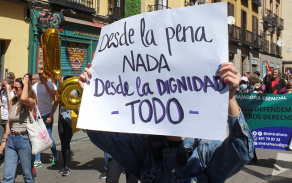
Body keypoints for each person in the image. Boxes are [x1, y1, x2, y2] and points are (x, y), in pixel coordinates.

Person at [79, 62, 253, 182]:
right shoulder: (146, 148)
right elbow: (100, 134)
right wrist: (92, 94)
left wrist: (229, 97)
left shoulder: (205, 150)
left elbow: (242, 150)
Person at [0, 77, 37, 183]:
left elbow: (24, 99)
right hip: (11, 140)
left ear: (24, 88)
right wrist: (4, 141)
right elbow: (9, 123)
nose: (13, 90)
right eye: (12, 87)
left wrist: (25, 84)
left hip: (24, 140)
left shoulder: (30, 101)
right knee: (8, 176)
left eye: (16, 88)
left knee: (27, 175)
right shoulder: (13, 102)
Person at [33, 74, 58, 166]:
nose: (41, 76)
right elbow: (33, 101)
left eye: (43, 74)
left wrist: (51, 116)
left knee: (48, 137)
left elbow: (56, 101)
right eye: (40, 74)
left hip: (48, 114)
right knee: (37, 136)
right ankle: (38, 159)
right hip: (38, 115)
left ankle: (55, 154)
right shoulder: (35, 86)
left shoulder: (51, 85)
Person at [0, 78, 14, 168]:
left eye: (5, 85)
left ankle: (9, 160)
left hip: (8, 120)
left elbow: (11, 103)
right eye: (3, 85)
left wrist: (9, 90)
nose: (4, 87)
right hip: (1, 118)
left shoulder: (13, 93)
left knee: (8, 142)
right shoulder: (2, 93)